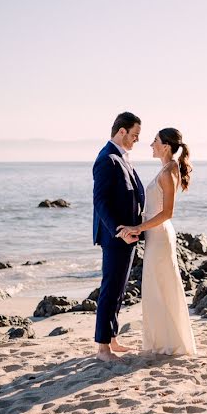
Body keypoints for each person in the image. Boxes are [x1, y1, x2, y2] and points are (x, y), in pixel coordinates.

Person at [116, 127, 197, 356]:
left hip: (160, 236)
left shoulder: (168, 171)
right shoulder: (166, 169)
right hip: (155, 235)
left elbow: (167, 212)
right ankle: (162, 341)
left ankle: (167, 343)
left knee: (161, 287)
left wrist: (138, 227)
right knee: (157, 287)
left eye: (155, 141)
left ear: (166, 146)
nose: (151, 144)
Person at [92, 111, 144, 362]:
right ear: (121, 131)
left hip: (129, 236)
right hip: (116, 237)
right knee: (110, 288)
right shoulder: (106, 159)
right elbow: (100, 202)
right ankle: (103, 349)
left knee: (119, 289)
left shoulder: (123, 157)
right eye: (134, 135)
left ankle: (112, 338)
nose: (136, 140)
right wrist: (119, 230)